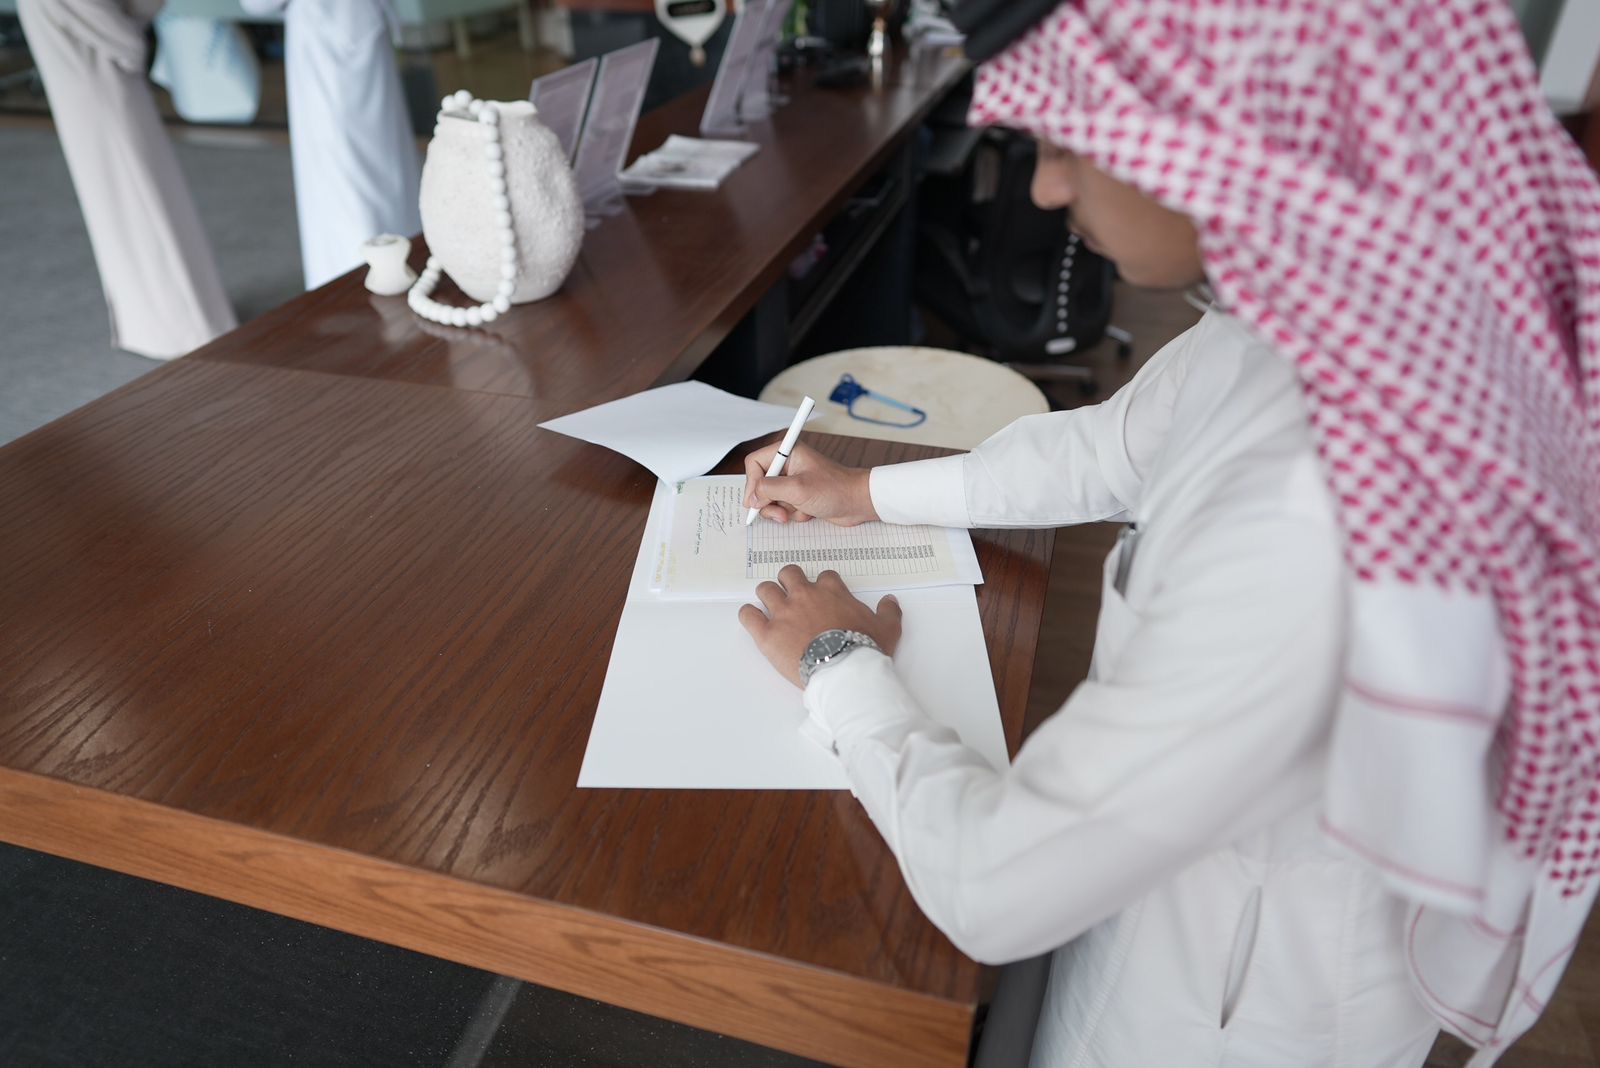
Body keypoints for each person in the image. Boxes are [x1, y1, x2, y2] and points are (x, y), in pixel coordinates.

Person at [738, 1, 1600, 1065]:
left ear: (1225, 120)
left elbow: (993, 887)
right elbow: (1110, 448)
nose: (1046, 187)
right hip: (1164, 903)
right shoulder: (1312, 308)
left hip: (1218, 1016)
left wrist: (838, 664)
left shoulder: (1316, 509)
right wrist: (867, 494)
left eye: (1073, 135)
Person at [17, 0, 421, 360]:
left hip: (327, 30)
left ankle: (364, 281)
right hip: (347, 26)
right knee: (366, 159)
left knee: (345, 166)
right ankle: (383, 268)